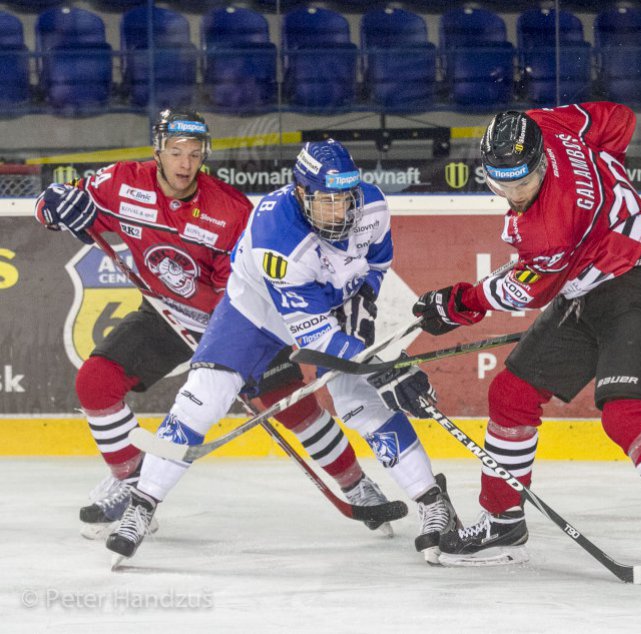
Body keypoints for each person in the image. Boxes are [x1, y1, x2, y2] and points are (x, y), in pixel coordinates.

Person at [412, 103, 641, 586]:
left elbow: (528, 290)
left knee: (625, 412)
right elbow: (620, 120)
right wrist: (609, 188)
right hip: (587, 284)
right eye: (503, 183)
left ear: (542, 163)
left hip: (640, 277)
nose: (514, 193)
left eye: (523, 183)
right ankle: (504, 525)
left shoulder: (548, 226)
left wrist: (458, 303)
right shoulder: (544, 124)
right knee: (512, 394)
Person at [35, 111, 387, 541]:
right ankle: (131, 485)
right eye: (176, 152)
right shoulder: (120, 181)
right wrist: (54, 205)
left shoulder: (230, 210)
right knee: (95, 382)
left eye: (195, 154)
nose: (185, 163)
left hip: (239, 321)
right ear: (157, 150)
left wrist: (228, 352)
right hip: (167, 315)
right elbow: (55, 204)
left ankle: (356, 484)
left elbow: (240, 289)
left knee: (297, 409)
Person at [104, 139, 458, 564]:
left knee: (362, 404)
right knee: (202, 398)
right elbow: (313, 337)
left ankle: (433, 501)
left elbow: (379, 261)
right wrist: (383, 366)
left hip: (335, 305)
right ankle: (141, 506)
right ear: (301, 194)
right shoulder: (279, 236)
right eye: (325, 201)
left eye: (344, 200)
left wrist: (366, 297)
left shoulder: (373, 206)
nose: (338, 212)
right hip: (255, 311)